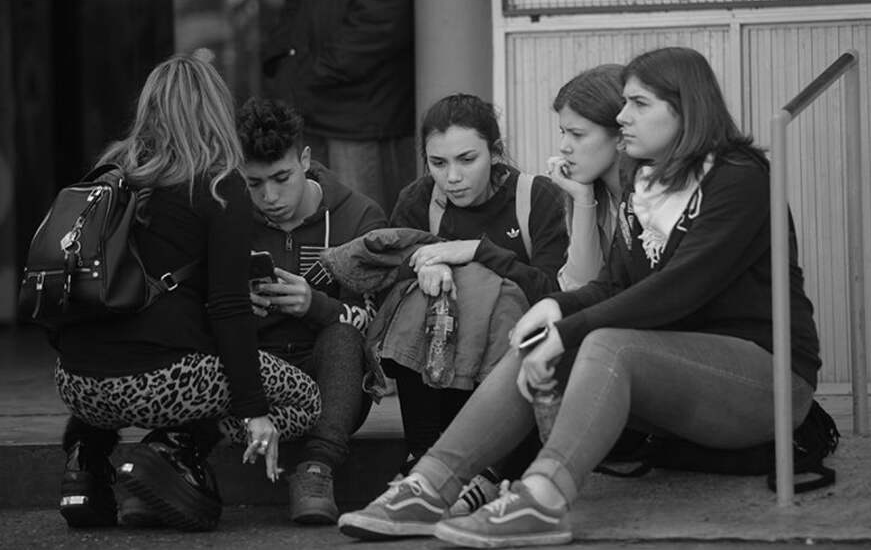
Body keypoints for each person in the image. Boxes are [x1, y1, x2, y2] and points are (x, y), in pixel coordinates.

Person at [337, 47, 822, 547]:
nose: (623, 116)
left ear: (685, 109)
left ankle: (542, 498)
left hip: (768, 379)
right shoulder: (647, 182)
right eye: (624, 103)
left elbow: (677, 291)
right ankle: (428, 486)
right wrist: (555, 310)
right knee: (540, 339)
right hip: (679, 374)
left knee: (607, 342)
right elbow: (613, 285)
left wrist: (567, 328)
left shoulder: (738, 176)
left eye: (638, 103)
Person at [53, 55, 320, 532]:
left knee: (131, 348)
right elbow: (229, 309)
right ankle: (174, 449)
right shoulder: (219, 185)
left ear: (149, 108)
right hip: (159, 382)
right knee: (305, 401)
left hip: (74, 383)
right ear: (215, 108)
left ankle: (85, 460)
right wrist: (255, 414)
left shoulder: (110, 169)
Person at [382, 92, 568, 502]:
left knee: (502, 296)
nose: (452, 177)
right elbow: (387, 290)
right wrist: (423, 268)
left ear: (495, 152)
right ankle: (421, 457)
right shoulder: (419, 200)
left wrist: (477, 251)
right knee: (419, 296)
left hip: (513, 376)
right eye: (438, 163)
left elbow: (553, 292)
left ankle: (493, 471)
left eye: (467, 160)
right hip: (439, 376)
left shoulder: (536, 197)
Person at [237, 97, 388, 525]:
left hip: (331, 382)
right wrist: (233, 306)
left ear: (304, 159)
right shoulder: (228, 215)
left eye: (281, 178)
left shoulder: (359, 215)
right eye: (254, 183)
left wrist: (315, 305)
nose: (269, 196)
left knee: (344, 336)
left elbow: (374, 324)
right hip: (255, 376)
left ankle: (317, 470)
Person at [262, 0, 416, 215]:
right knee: (321, 224)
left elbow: (384, 16)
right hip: (318, 100)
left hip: (362, 113)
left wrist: (314, 71)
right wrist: (286, 62)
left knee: (360, 226)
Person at [546, 64, 630, 291]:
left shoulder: (650, 197)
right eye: (563, 132)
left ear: (621, 136)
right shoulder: (593, 193)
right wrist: (583, 199)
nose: (564, 147)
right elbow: (580, 286)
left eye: (577, 134)